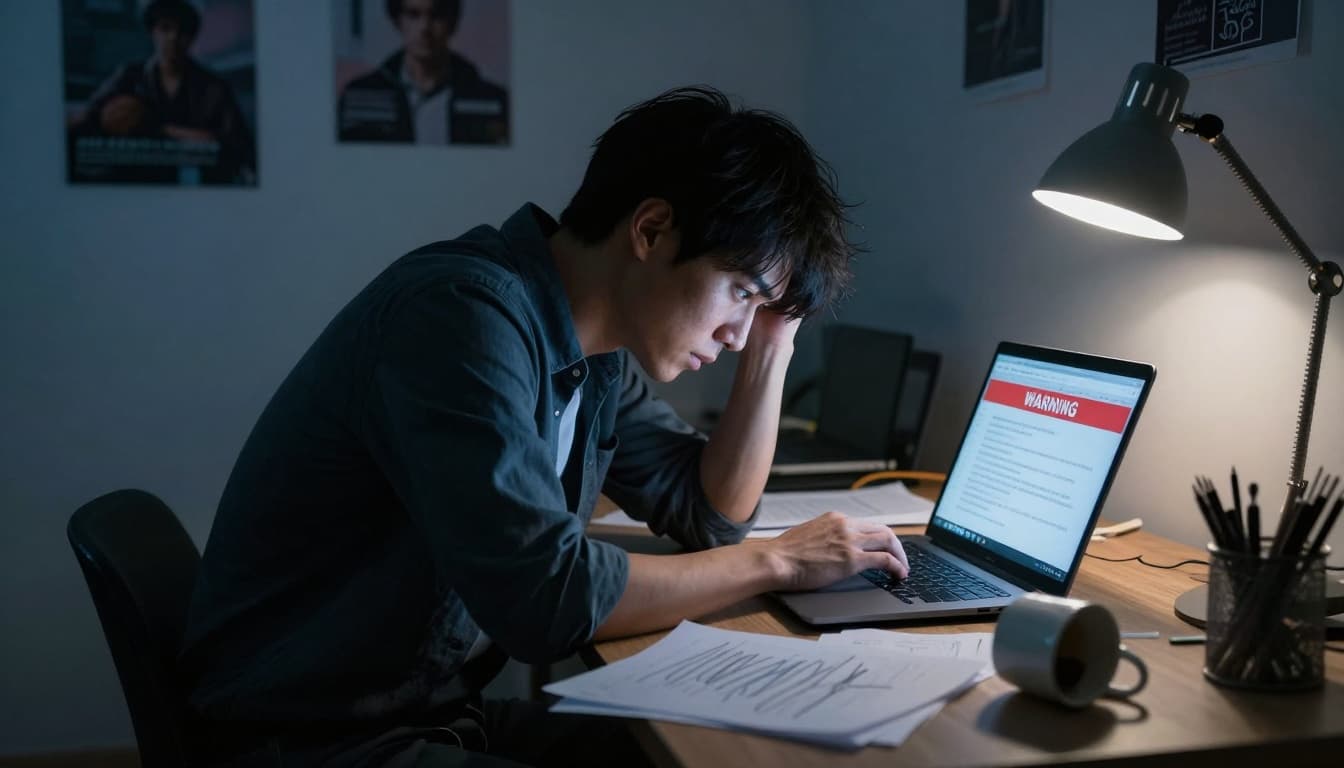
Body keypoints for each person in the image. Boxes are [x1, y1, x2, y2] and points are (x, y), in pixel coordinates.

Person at [182, 86, 910, 766]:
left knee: (716, 751)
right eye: (741, 294)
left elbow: (708, 515)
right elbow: (546, 601)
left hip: (426, 716)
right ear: (651, 230)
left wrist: (774, 346)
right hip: (314, 740)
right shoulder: (462, 316)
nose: (735, 334)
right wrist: (779, 561)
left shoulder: (592, 353)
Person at [70, 0, 256, 184]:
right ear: (153, 32)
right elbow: (90, 115)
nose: (173, 38)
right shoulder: (129, 76)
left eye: (182, 32)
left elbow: (235, 144)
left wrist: (159, 129)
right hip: (135, 184)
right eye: (165, 28)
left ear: (192, 37)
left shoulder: (215, 87)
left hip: (198, 187)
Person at [337, 0, 509, 145]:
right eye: (413, 15)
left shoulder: (492, 99)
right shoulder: (360, 94)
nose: (424, 28)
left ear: (453, 23)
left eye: (436, 15)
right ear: (398, 21)